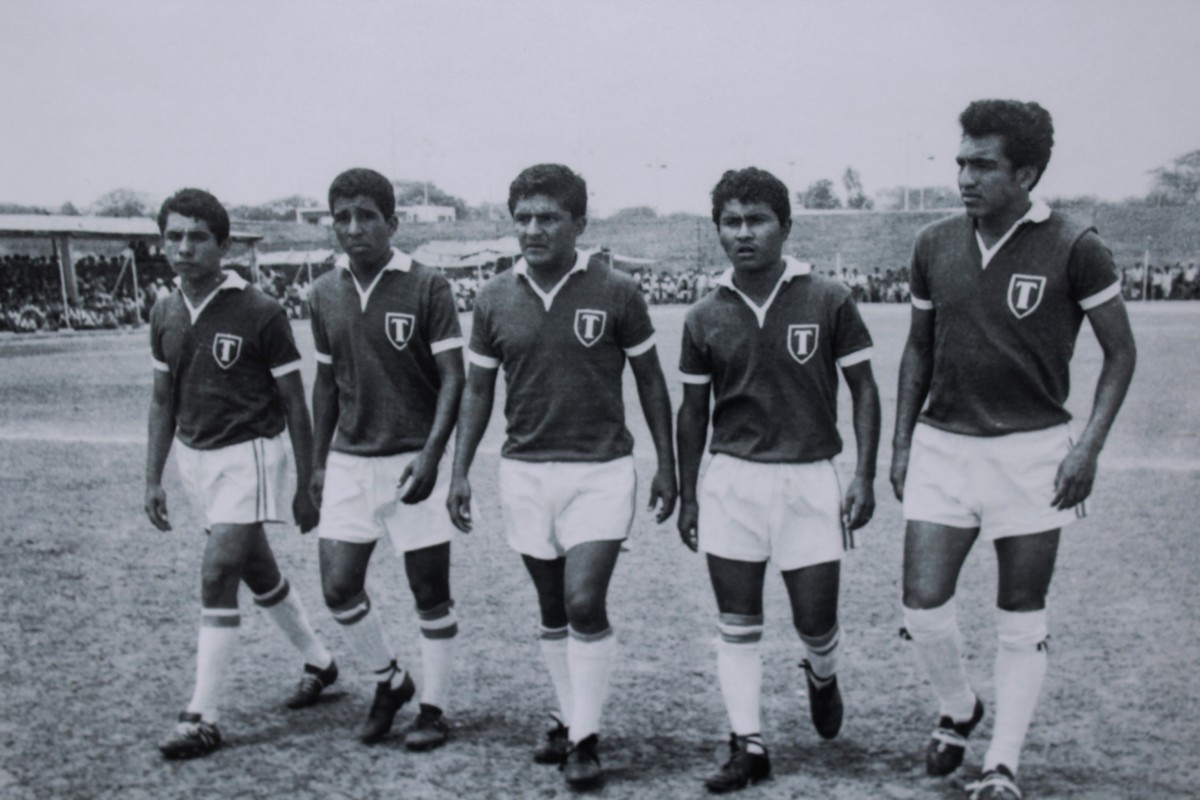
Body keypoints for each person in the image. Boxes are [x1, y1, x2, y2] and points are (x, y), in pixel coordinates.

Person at [890, 100, 1137, 800]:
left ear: (1026, 173)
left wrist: (1088, 449)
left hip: (1033, 454)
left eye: (983, 165)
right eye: (961, 162)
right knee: (921, 606)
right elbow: (918, 349)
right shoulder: (934, 242)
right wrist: (903, 442)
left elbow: (1120, 353)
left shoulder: (1075, 244)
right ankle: (959, 706)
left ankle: (1001, 764)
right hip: (943, 446)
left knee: (1021, 615)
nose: (965, 178)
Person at [446, 163, 677, 788]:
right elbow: (477, 391)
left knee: (583, 601)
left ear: (579, 223)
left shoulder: (617, 291)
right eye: (522, 218)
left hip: (601, 471)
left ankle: (584, 739)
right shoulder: (493, 297)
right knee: (552, 607)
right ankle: (569, 714)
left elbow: (652, 382)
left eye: (547, 217)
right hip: (524, 471)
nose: (533, 229)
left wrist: (666, 464)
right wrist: (459, 470)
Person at [676, 168, 881, 793]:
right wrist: (689, 493)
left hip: (810, 479)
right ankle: (749, 743)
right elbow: (693, 412)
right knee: (737, 620)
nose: (744, 233)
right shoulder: (703, 314)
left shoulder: (828, 298)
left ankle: (822, 672)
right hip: (732, 481)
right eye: (731, 222)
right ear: (718, 231)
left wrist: (864, 474)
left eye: (757, 220)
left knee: (816, 620)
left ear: (785, 227)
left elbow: (864, 389)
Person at [144, 188, 335, 760]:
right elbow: (162, 400)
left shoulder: (260, 310)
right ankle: (320, 662)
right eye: (174, 236)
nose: (184, 247)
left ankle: (201, 716)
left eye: (198, 236)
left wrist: (309, 481)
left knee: (216, 574)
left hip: (248, 454)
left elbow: (295, 401)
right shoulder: (163, 310)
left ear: (224, 246)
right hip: (195, 459)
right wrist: (152, 478)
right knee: (256, 569)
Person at [308, 167, 465, 749]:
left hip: (411, 462)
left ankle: (434, 709)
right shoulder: (322, 292)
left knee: (429, 592)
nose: (354, 228)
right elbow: (325, 384)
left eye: (366, 216)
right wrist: (317, 463)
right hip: (350, 460)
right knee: (338, 587)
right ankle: (390, 681)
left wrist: (433, 456)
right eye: (342, 218)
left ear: (392, 223)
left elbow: (455, 378)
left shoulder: (427, 286)